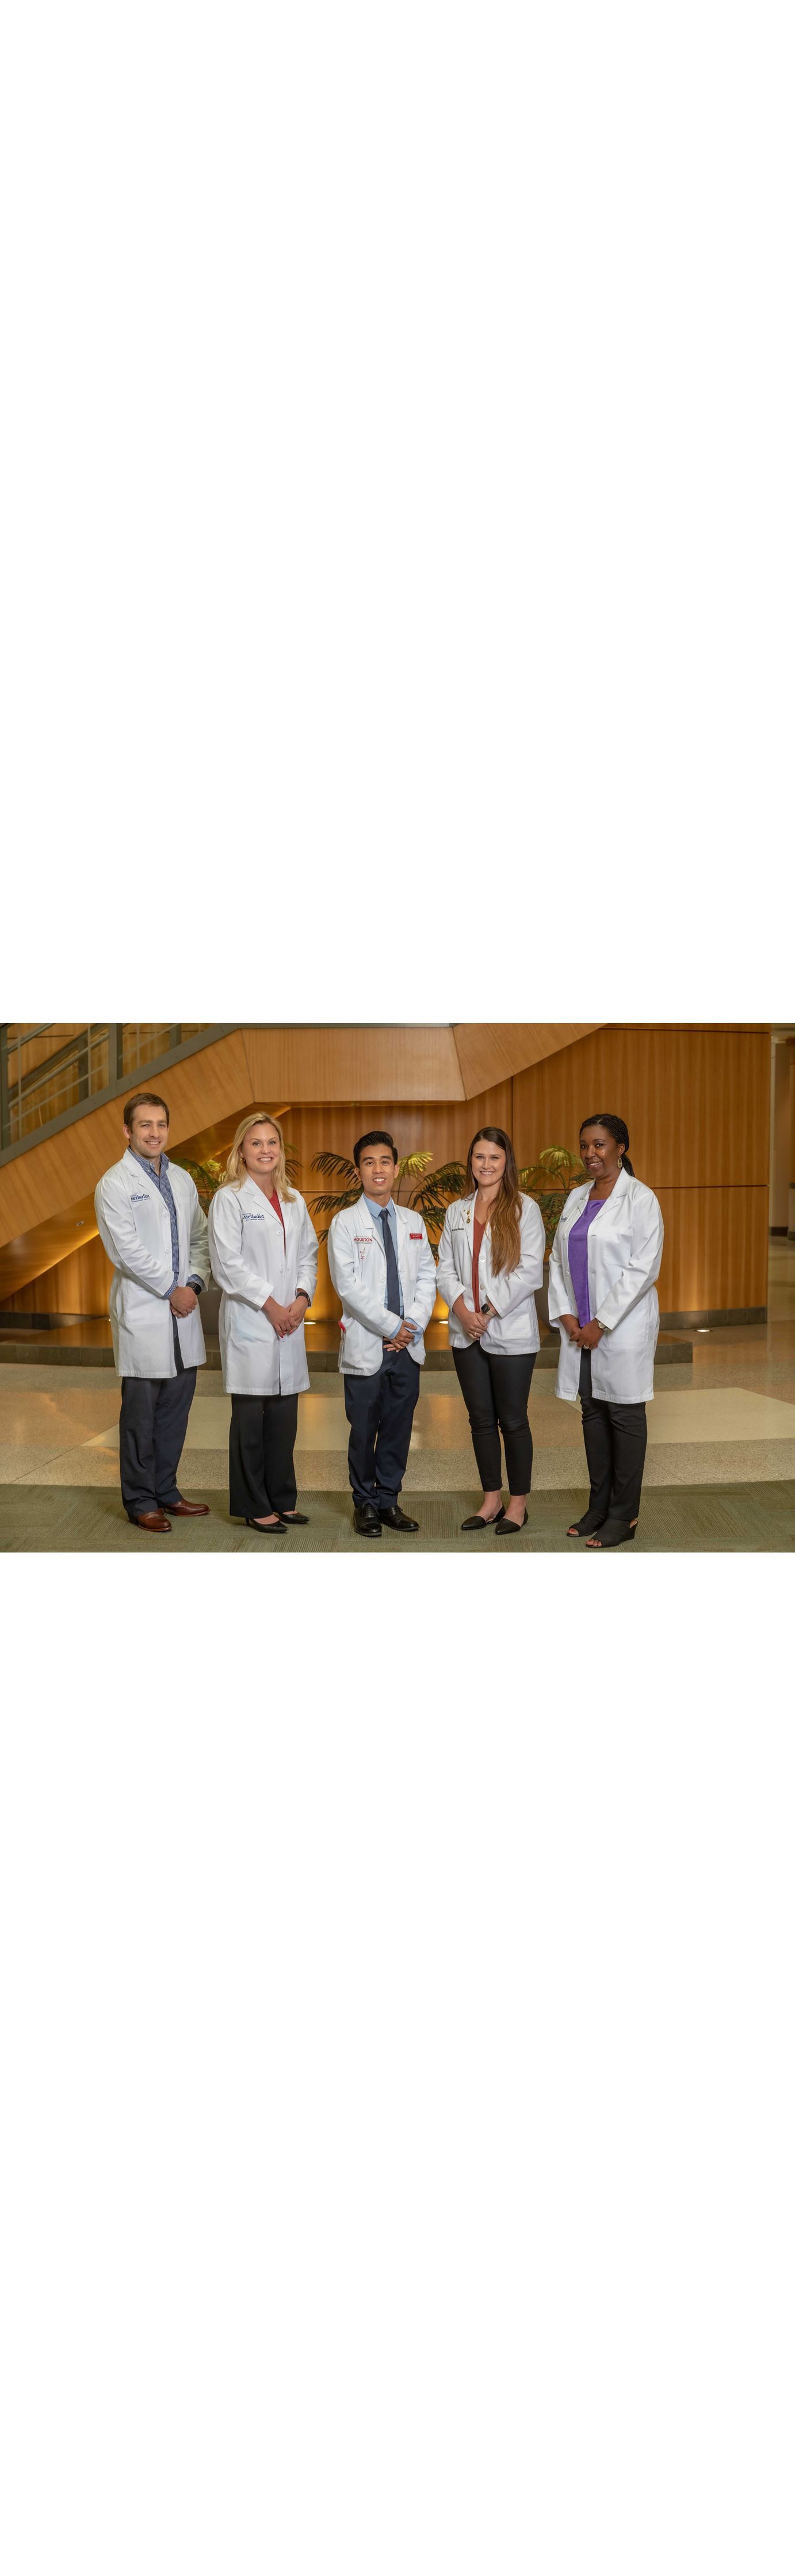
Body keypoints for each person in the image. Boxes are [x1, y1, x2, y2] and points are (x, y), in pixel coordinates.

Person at [94, 1091, 211, 1532]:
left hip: (183, 1311)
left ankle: (166, 1490)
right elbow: (126, 1251)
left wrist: (193, 1285)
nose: (154, 1132)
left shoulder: (181, 1180)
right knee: (140, 1417)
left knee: (175, 1411)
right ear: (128, 1131)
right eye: (145, 1125)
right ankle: (141, 1500)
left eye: (161, 1124)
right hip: (146, 1311)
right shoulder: (115, 1183)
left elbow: (199, 1238)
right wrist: (171, 1290)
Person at [547, 1113, 664, 1548]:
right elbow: (557, 1260)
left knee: (625, 1417)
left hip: (621, 1328)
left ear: (620, 1148)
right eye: (584, 1145)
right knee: (593, 1414)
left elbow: (643, 1269)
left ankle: (624, 1514)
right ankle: (598, 1507)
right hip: (580, 1330)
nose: (590, 1153)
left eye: (599, 1145)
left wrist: (601, 1323)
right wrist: (567, 1315)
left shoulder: (641, 1199)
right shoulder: (577, 1197)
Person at [208, 1112, 319, 1534]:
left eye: (272, 1142)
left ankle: (282, 1499)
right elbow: (227, 1265)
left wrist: (302, 1299)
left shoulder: (294, 1200)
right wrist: (272, 1306)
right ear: (241, 1151)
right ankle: (254, 1505)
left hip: (290, 1319)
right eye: (256, 1143)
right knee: (251, 1421)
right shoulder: (229, 1199)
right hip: (253, 1321)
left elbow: (308, 1254)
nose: (265, 1150)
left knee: (284, 1420)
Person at [327, 1131, 437, 1536]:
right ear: (358, 1171)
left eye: (385, 1161)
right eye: (369, 1162)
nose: (378, 1169)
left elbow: (427, 1277)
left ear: (396, 1168)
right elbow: (349, 1287)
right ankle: (365, 1504)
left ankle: (389, 1500)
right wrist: (394, 1327)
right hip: (369, 1342)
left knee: (398, 1426)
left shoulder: (413, 1222)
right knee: (363, 1429)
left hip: (407, 1347)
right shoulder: (345, 1223)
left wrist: (412, 1326)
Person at [436, 1126, 545, 1534]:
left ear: (506, 1162)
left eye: (494, 1157)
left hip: (509, 1330)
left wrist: (486, 1310)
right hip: (466, 1331)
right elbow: (445, 1269)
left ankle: (518, 1505)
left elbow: (530, 1269)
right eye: (480, 1157)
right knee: (480, 1420)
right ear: (471, 1162)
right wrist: (462, 1312)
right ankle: (491, 1500)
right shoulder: (457, 1211)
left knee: (513, 1420)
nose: (486, 1165)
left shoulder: (525, 1209)